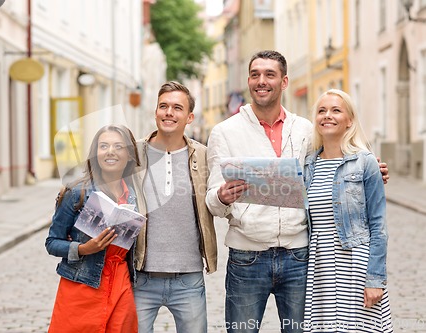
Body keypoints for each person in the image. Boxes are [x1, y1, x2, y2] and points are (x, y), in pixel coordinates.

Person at [205, 50, 389, 333]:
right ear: (248, 81)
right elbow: (212, 201)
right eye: (255, 75)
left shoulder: (305, 129)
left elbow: (336, 164)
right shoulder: (224, 132)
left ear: (284, 81)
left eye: (270, 74)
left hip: (299, 256)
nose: (261, 81)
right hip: (246, 257)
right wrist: (221, 196)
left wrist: (370, 170)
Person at [302, 89, 393, 332]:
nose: (327, 116)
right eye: (321, 111)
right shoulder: (307, 165)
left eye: (335, 110)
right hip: (319, 268)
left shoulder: (366, 162)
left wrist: (374, 279)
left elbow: (379, 226)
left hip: (355, 265)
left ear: (349, 120)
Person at [132, 81, 218, 333]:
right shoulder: (133, 153)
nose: (169, 112)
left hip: (188, 277)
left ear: (189, 117)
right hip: (141, 276)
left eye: (177, 108)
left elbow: (217, 200)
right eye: (163, 106)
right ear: (155, 111)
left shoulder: (203, 156)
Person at [45, 125, 141, 333]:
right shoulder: (76, 192)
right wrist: (83, 249)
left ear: (128, 154)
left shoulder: (133, 194)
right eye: (103, 146)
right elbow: (51, 243)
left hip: (120, 284)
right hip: (82, 285)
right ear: (95, 153)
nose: (110, 151)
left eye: (118, 146)